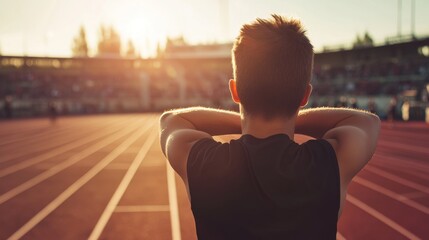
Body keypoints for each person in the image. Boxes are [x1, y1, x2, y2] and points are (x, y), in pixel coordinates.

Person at [160, 14, 380, 239]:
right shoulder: (327, 163)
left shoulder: (206, 163)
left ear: (235, 91)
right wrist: (288, 109)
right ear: (304, 96)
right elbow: (368, 121)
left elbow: (170, 120)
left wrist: (247, 118)